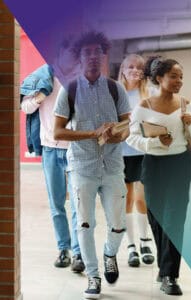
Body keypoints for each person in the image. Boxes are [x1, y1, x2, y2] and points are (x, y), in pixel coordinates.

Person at [53, 31, 130, 299]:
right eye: (88, 53)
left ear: (104, 55)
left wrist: (115, 133)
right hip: (82, 167)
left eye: (98, 52)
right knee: (84, 224)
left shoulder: (115, 88)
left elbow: (127, 128)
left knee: (119, 223)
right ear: (80, 57)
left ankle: (110, 253)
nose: (93, 57)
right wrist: (92, 133)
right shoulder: (69, 89)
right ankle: (93, 275)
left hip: (112, 166)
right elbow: (58, 132)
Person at [127, 57, 191, 296]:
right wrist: (154, 142)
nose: (179, 81)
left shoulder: (185, 104)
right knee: (157, 219)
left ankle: (170, 275)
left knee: (174, 219)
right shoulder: (144, 106)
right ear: (159, 78)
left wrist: (189, 124)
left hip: (179, 165)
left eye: (181, 77)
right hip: (153, 165)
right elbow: (130, 137)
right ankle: (164, 264)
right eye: (174, 76)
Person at [20, 37, 84, 273]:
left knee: (78, 204)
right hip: (49, 149)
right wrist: (40, 96)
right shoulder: (43, 79)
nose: (74, 59)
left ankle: (79, 254)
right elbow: (25, 107)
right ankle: (64, 250)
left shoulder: (81, 81)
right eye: (71, 54)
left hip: (75, 150)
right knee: (57, 204)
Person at [118, 54, 154, 267]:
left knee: (142, 199)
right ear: (123, 69)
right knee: (126, 201)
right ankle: (131, 246)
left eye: (138, 68)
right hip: (120, 155)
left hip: (142, 153)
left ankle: (145, 240)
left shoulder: (149, 93)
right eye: (130, 67)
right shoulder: (115, 93)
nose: (134, 70)